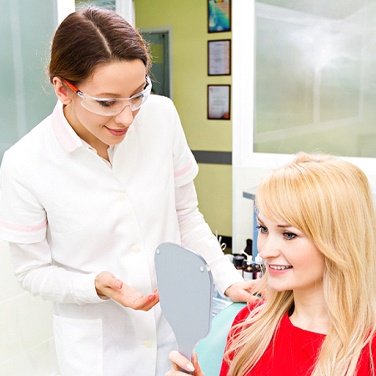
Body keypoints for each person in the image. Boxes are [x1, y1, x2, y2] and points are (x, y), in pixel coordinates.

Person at [0, 6, 254, 376]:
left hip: (174, 331)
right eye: (106, 102)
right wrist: (93, 286)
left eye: (138, 94)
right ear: (62, 89)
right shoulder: (25, 163)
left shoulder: (162, 117)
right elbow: (31, 271)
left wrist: (228, 279)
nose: (126, 117)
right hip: (97, 353)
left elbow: (185, 214)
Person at [167, 152, 376, 376]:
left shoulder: (368, 351)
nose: (264, 251)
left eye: (288, 234)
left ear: (339, 240)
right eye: (264, 229)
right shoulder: (249, 325)